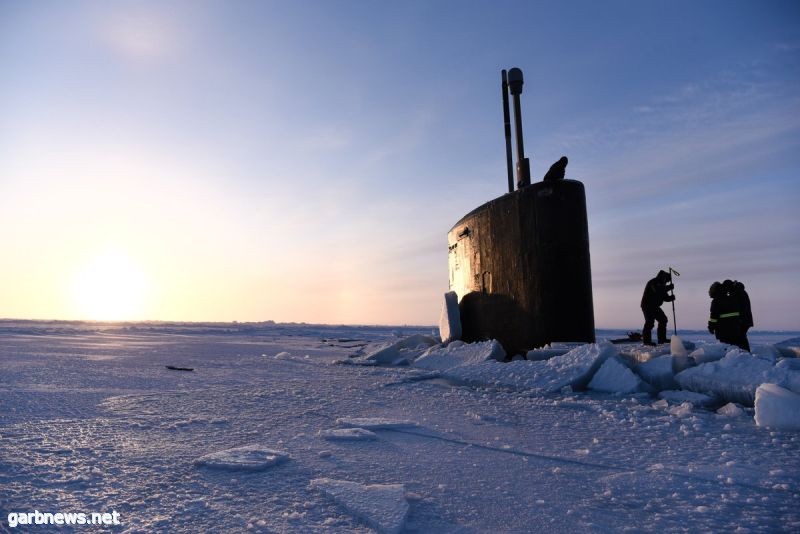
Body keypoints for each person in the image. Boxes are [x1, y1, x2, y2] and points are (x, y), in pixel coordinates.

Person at [640, 270, 675, 345]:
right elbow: (657, 290)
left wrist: (671, 298)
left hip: (655, 306)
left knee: (663, 319)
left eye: (668, 281)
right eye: (667, 280)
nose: (667, 282)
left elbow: (665, 297)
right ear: (664, 277)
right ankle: (646, 342)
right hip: (647, 305)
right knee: (649, 322)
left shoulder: (662, 285)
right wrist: (669, 287)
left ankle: (662, 339)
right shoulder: (654, 282)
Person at [708, 280, 743, 348]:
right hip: (735, 328)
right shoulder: (731, 298)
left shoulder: (716, 301)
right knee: (734, 346)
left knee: (726, 347)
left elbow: (714, 316)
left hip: (723, 329)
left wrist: (711, 327)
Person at [732, 280, 753, 351]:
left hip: (743, 320)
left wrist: (739, 319)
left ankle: (745, 352)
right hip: (746, 319)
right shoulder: (742, 292)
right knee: (741, 336)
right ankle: (744, 352)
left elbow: (741, 308)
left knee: (741, 336)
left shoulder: (738, 293)